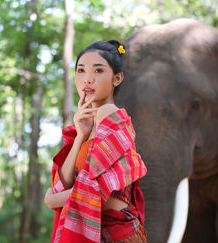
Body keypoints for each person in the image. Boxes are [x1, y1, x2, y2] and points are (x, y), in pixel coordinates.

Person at [44, 40, 147, 243]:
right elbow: (63, 185)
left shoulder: (110, 115)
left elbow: (98, 190)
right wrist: (80, 136)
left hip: (116, 236)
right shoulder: (85, 125)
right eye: (81, 71)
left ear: (117, 78)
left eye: (98, 71)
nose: (87, 79)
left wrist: (51, 200)